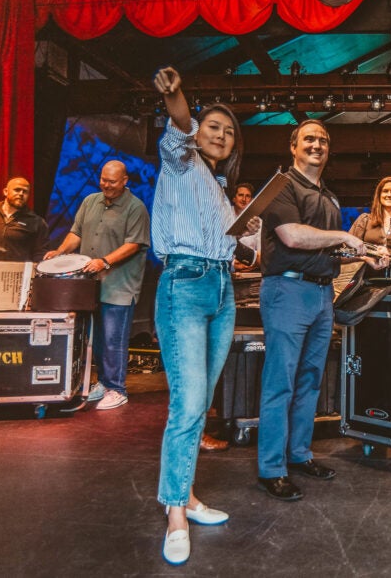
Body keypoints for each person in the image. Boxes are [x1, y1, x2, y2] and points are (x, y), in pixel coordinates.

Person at [256, 119, 386, 502]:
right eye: (309, 139)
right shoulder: (281, 186)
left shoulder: (328, 195)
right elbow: (292, 236)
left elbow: (327, 249)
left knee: (311, 379)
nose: (317, 145)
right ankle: (271, 468)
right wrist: (347, 236)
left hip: (320, 294)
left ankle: (298, 455)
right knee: (280, 381)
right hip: (287, 290)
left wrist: (363, 256)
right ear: (293, 146)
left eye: (323, 140)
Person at [151, 65, 246, 565]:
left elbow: (235, 244)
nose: (221, 135)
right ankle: (175, 513)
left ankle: (186, 495)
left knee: (201, 402)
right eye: (214, 126)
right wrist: (179, 96)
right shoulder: (182, 162)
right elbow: (179, 126)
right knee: (187, 406)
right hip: (184, 285)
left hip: (221, 288)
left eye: (229, 132)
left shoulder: (219, 188)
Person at [42, 160, 150, 411]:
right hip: (90, 287)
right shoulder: (91, 201)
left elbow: (134, 244)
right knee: (96, 339)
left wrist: (104, 262)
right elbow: (76, 233)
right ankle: (102, 382)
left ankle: (117, 388)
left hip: (119, 286)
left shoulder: (136, 208)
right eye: (103, 179)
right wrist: (59, 251)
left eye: (112, 182)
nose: (106, 185)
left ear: (125, 181)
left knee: (114, 339)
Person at [231, 182, 261, 272]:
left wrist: (251, 263)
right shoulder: (224, 216)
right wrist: (233, 264)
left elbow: (261, 252)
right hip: (226, 268)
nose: (244, 199)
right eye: (240, 195)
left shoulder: (257, 222)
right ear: (234, 198)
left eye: (247, 196)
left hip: (249, 269)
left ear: (251, 200)